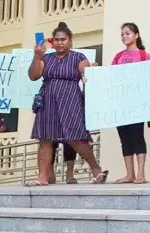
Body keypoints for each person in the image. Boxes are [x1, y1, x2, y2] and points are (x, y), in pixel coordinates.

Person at [26, 21, 108, 186]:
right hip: (48, 101)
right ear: (52, 41)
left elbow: (87, 73)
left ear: (70, 41)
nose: (59, 42)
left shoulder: (78, 57)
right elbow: (33, 76)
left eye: (63, 39)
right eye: (56, 39)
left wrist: (92, 72)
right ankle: (42, 177)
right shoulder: (46, 58)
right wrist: (37, 56)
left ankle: (96, 169)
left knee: (76, 137)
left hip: (70, 100)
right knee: (45, 138)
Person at [111, 23, 150, 184]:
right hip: (120, 104)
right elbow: (111, 77)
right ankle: (130, 174)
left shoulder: (143, 55)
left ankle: (141, 173)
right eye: (122, 34)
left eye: (127, 33)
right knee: (125, 139)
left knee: (137, 137)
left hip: (137, 103)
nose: (124, 36)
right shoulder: (118, 56)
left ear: (136, 35)